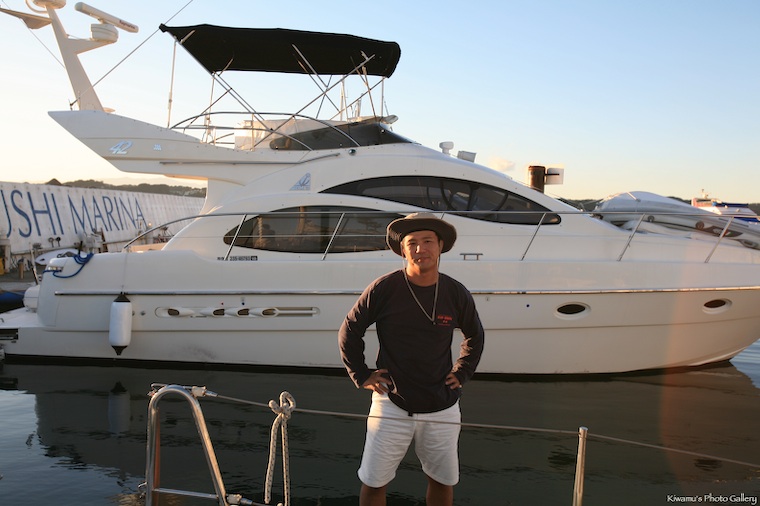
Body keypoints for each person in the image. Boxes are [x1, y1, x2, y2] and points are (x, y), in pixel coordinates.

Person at [338, 212, 485, 506]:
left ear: (440, 246)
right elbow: (350, 329)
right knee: (374, 482)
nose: (420, 249)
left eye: (428, 241)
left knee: (443, 480)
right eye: (412, 243)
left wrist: (462, 372)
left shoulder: (455, 292)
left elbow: (475, 335)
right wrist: (362, 375)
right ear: (403, 251)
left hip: (442, 406)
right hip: (391, 403)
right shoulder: (384, 288)